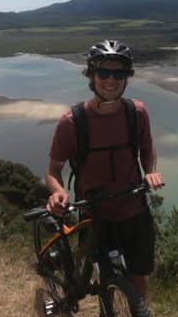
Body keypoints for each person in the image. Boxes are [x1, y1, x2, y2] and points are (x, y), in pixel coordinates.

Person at [45, 39, 163, 299]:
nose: (111, 80)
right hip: (94, 211)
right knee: (103, 274)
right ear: (91, 75)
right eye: (103, 72)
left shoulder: (137, 113)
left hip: (134, 207)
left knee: (138, 274)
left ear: (127, 77)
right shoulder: (72, 122)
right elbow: (53, 171)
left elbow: (146, 148)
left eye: (119, 73)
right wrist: (58, 193)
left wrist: (150, 171)